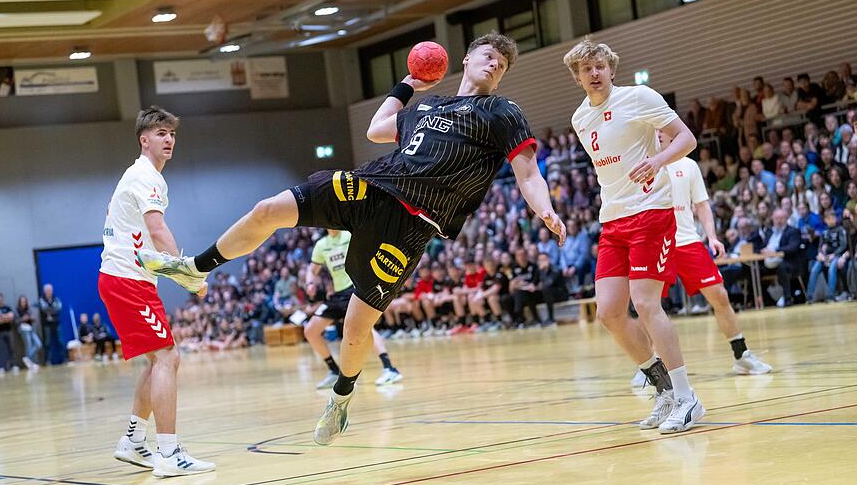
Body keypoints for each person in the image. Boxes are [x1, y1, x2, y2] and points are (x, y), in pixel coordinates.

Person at [140, 32, 566, 446]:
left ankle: (341, 397)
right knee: (268, 210)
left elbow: (528, 173)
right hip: (373, 186)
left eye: (502, 64)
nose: (494, 64)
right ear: (467, 60)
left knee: (357, 326)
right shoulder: (429, 105)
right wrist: (406, 86)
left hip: (412, 224)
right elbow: (376, 129)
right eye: (489, 55)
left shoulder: (501, 111)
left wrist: (544, 208)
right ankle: (195, 268)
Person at [564, 36, 705, 433]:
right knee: (608, 312)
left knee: (645, 303)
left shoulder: (639, 97)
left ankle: (687, 397)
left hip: (651, 212)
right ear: (577, 77)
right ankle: (664, 391)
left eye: (600, 66)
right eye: (586, 69)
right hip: (613, 220)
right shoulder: (580, 118)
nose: (594, 73)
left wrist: (657, 161)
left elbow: (687, 138)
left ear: (611, 69)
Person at [99, 106, 214, 477]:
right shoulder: (145, 176)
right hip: (126, 280)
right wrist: (189, 275)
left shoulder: (140, 175)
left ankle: (133, 441)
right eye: (161, 133)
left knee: (160, 358)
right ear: (143, 139)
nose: (169, 139)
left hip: (129, 279)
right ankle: (169, 454)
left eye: (172, 134)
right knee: (167, 357)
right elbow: (158, 230)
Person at [650, 132, 771, 377]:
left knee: (720, 295)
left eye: (663, 128)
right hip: (655, 244)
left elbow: (702, 205)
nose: (659, 132)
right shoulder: (642, 162)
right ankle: (650, 364)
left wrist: (712, 236)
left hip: (687, 241)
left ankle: (741, 355)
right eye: (655, 129)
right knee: (648, 306)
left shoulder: (688, 165)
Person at [304, 229, 402, 389]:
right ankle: (334, 371)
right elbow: (312, 270)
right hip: (337, 295)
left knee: (366, 329)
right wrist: (310, 283)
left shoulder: (349, 235)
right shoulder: (321, 245)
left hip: (355, 289)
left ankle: (390, 368)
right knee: (310, 331)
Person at [0, 293, 19, 376]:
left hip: (8, 331)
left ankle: (13, 365)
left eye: (1, 299)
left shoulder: (7, 308)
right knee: (0, 349)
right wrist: (5, 318)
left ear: (2, 299)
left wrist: (1, 318)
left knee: (11, 348)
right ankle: (1, 366)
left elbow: (11, 317)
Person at [38, 283, 64, 365]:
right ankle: (48, 361)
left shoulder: (56, 299)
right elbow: (43, 308)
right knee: (47, 343)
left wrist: (49, 311)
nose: (49, 292)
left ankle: (63, 359)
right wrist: (52, 309)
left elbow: (58, 308)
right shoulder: (41, 300)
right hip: (47, 325)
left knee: (60, 341)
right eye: (47, 290)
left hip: (56, 323)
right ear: (44, 291)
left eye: (50, 290)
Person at [15, 295, 41, 370]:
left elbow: (33, 319)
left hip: (30, 328)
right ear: (19, 303)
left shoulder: (28, 310)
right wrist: (23, 319)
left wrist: (32, 318)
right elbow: (16, 321)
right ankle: (31, 363)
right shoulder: (17, 310)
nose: (23, 303)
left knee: (38, 344)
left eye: (25, 301)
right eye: (22, 302)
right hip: (23, 329)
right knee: (28, 346)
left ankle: (27, 358)